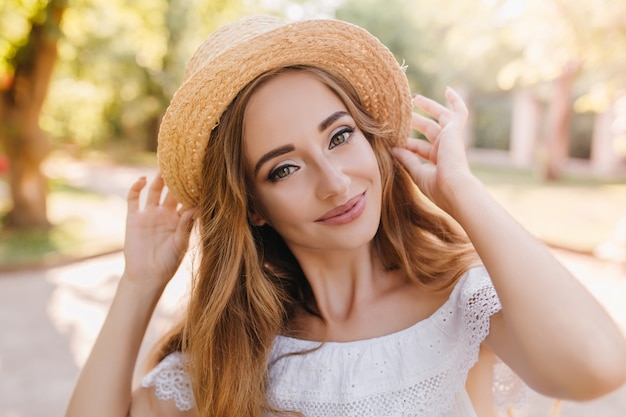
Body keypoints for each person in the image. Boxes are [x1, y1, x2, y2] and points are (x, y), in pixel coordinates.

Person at [65, 15, 626, 417]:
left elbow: (597, 367)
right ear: (254, 208)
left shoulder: (461, 303)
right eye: (284, 169)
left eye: (339, 136)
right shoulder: (230, 354)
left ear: (370, 138)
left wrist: (462, 191)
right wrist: (139, 286)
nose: (335, 183)